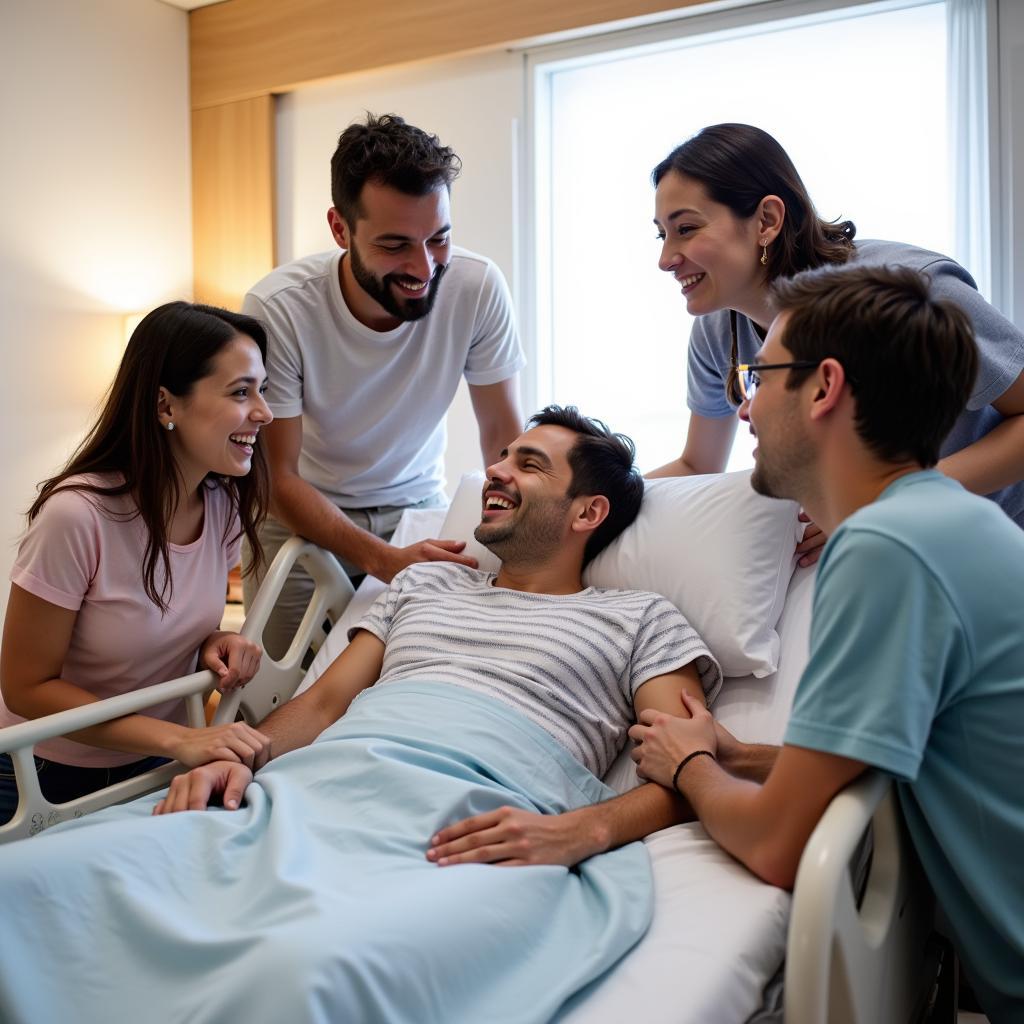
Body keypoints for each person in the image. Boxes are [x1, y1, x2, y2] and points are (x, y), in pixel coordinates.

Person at [0, 407, 723, 1023]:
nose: (498, 471)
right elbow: (319, 703)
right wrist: (231, 755)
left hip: (464, 823)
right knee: (25, 889)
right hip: (312, 794)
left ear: (588, 513)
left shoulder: (639, 619)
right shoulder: (426, 586)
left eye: (528, 464)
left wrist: (585, 829)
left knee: (300, 974)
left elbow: (690, 768)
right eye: (501, 457)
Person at [630, 264, 1024, 1023]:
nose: (742, 408)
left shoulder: (886, 548)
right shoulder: (949, 521)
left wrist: (692, 767)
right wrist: (739, 755)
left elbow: (779, 843)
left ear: (823, 387)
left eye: (759, 375)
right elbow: (904, 759)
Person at [647, 122, 1024, 564]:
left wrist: (884, 503)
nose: (665, 259)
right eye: (661, 234)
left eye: (686, 228)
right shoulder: (718, 332)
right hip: (902, 553)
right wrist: (591, 495)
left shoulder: (912, 291)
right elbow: (697, 465)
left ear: (767, 220)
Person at [241, 113, 525, 658]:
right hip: (300, 513)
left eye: (439, 238)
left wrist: (525, 535)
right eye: (395, 244)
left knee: (409, 670)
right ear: (340, 229)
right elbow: (277, 477)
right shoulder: (279, 308)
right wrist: (380, 560)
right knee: (284, 689)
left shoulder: (476, 285)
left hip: (415, 504)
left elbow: (502, 435)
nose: (424, 267)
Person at [0, 303, 273, 825]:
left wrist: (213, 643)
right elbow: (26, 687)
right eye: (242, 392)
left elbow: (161, 627)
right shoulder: (76, 517)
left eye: (262, 389)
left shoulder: (221, 504)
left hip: (153, 763)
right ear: (166, 404)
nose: (265, 412)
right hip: (40, 777)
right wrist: (180, 737)